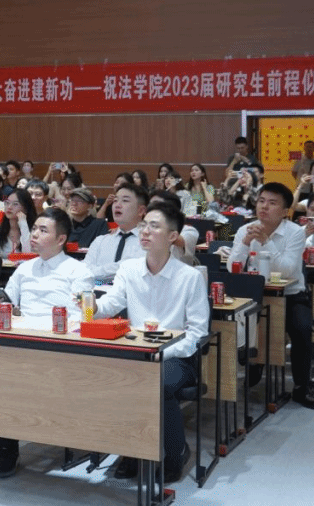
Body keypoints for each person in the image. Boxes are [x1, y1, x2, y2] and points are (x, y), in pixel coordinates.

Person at [0, 208, 93, 477]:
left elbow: (77, 318)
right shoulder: (25, 268)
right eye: (34, 228)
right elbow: (4, 302)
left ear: (61, 239)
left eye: (43, 230)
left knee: (7, 375)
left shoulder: (78, 271)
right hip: (19, 339)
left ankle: (7, 448)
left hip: (56, 345)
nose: (34, 234)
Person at [93, 202, 210, 483]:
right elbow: (111, 303)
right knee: (108, 378)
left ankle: (175, 452)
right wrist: (89, 307)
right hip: (136, 351)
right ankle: (131, 451)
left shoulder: (190, 277)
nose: (145, 231)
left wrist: (163, 352)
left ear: (172, 236)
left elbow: (197, 333)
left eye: (154, 226)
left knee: (158, 384)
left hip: (177, 358)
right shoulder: (129, 268)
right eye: (144, 225)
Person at [227, 183, 314, 409]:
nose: (264, 207)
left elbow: (287, 270)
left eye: (272, 203)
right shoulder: (245, 230)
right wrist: (245, 243)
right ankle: (255, 363)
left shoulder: (295, 232)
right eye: (261, 201)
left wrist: (266, 242)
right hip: (254, 295)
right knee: (236, 328)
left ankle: (302, 387)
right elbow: (232, 268)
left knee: (302, 330)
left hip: (291, 294)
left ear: (285, 211)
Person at [83, 183, 147, 281]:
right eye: (115, 200)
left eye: (125, 201)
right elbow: (84, 271)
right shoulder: (100, 241)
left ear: (141, 210)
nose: (117, 205)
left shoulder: (147, 241)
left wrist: (95, 272)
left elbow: (128, 268)